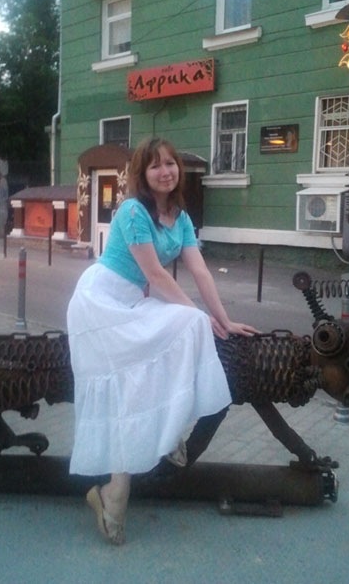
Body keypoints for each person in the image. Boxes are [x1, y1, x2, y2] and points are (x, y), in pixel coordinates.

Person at [67, 137, 258, 545]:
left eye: (170, 163)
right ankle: (138, 468)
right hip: (100, 302)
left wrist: (223, 320)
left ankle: (134, 471)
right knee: (172, 338)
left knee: (186, 331)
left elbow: (200, 272)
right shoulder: (133, 211)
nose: (165, 172)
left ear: (178, 170)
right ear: (142, 174)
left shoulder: (181, 217)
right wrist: (199, 316)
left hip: (133, 303)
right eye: (155, 166)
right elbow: (156, 275)